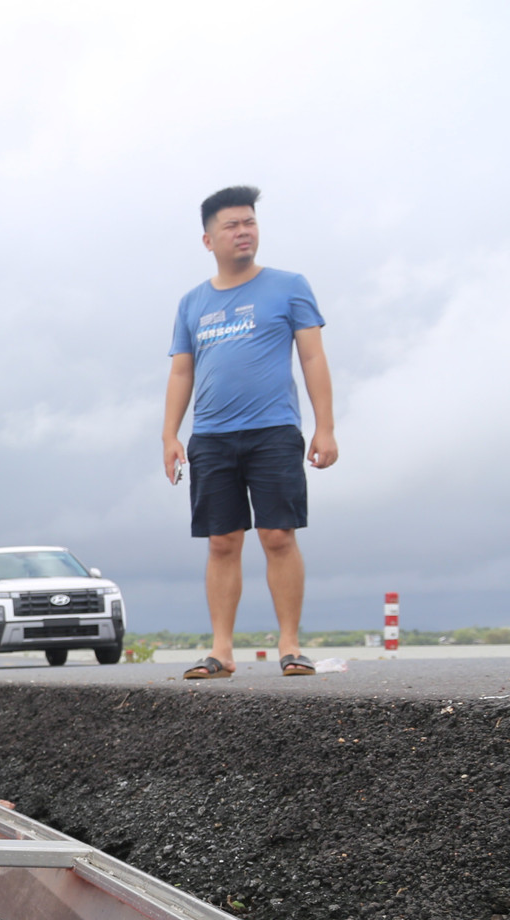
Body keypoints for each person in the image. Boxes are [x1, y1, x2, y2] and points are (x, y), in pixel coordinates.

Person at [161, 185, 338, 679]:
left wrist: (325, 427)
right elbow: (181, 372)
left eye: (249, 222)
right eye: (231, 226)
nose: (243, 232)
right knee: (221, 541)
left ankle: (290, 645)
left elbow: (312, 357)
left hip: (274, 429)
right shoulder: (192, 303)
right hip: (212, 436)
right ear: (208, 240)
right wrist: (170, 435)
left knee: (278, 535)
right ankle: (221, 651)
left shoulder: (289, 286)